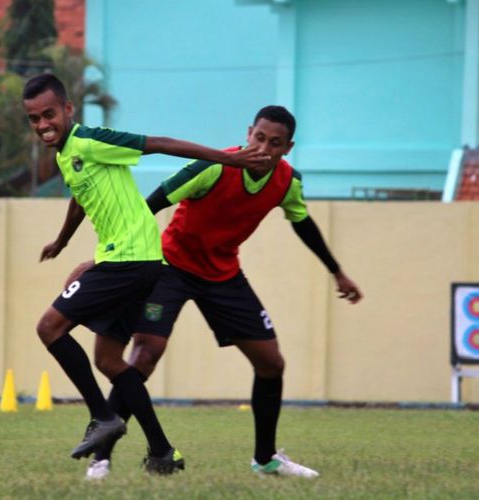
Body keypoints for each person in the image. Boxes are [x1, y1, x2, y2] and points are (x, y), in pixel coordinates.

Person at [83, 105, 362, 480]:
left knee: (271, 363)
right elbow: (149, 205)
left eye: (274, 143)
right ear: (249, 133)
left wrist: (337, 272)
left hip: (223, 274)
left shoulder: (286, 181)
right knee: (145, 354)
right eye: (259, 138)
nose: (264, 148)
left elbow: (302, 222)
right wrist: (110, 257)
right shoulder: (213, 167)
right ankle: (101, 457)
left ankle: (265, 459)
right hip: (170, 266)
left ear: (287, 148)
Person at [23, 73, 270, 476]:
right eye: (34, 118)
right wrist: (62, 242)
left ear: (68, 109)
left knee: (50, 327)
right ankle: (161, 452)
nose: (42, 124)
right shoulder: (68, 154)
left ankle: (103, 419)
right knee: (108, 360)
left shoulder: (90, 139)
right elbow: (80, 198)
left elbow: (160, 144)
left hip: (131, 260)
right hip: (131, 262)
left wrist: (231, 158)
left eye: (49, 114)